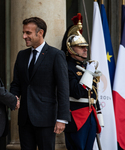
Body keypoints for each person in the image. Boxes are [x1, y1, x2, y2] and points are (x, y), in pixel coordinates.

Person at [10, 17, 70, 150]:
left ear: (40, 33)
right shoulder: (22, 55)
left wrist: (62, 118)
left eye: (28, 33)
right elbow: (16, 83)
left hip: (46, 118)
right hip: (25, 119)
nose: (24, 36)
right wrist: (13, 97)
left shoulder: (56, 55)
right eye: (23, 33)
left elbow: (63, 88)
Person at [61, 13, 103, 150]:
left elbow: (94, 95)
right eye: (81, 46)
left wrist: (99, 116)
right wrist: (89, 74)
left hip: (90, 115)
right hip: (76, 115)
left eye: (86, 46)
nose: (86, 49)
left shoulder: (86, 66)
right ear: (71, 49)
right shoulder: (67, 67)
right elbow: (77, 92)